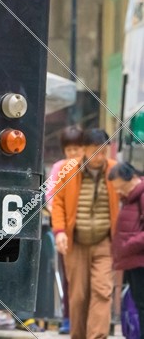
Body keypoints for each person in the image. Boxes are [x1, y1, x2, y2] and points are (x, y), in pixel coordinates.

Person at [54, 129, 121, 339]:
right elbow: (58, 202)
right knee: (78, 296)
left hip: (105, 243)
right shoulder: (68, 169)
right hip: (76, 242)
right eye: (95, 152)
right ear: (84, 150)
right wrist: (60, 232)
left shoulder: (115, 170)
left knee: (102, 291)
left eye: (103, 152)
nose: (99, 158)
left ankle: (97, 337)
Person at [49, 126, 86, 333]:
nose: (73, 154)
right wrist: (59, 223)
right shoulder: (60, 168)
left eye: (77, 149)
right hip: (65, 230)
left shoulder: (89, 167)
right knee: (68, 277)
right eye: (69, 150)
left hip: (88, 229)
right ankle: (68, 318)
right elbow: (51, 195)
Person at [110, 164, 144, 317]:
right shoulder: (130, 198)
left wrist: (127, 245)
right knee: (140, 305)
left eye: (122, 187)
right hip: (134, 260)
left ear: (133, 178)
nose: (120, 192)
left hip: (139, 259)